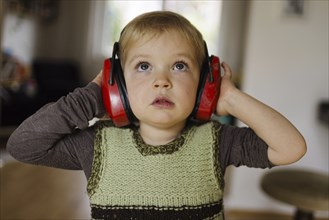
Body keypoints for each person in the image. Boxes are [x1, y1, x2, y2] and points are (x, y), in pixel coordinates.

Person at [7, 11, 306, 220]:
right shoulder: (97, 146)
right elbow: (23, 146)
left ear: (204, 85)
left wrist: (231, 98)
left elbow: (291, 148)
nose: (161, 80)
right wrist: (91, 97)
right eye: (143, 66)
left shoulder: (218, 141)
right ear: (118, 86)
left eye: (179, 66)